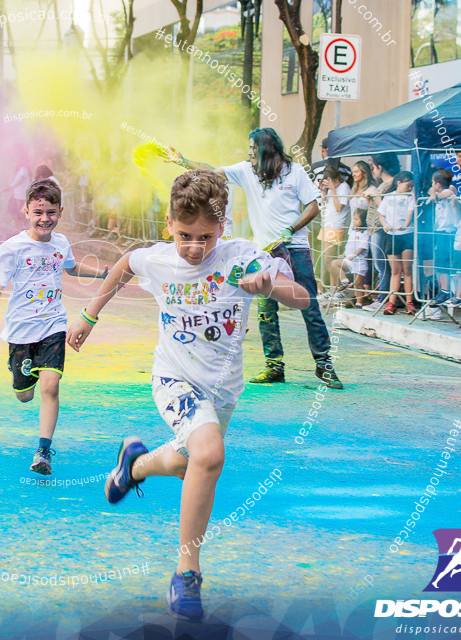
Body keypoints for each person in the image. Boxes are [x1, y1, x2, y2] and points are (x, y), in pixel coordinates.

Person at [65, 169, 308, 622]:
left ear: (224, 226)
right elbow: (123, 266)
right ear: (169, 225)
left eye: (206, 237)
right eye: (185, 236)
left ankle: (133, 464)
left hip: (222, 389)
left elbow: (303, 298)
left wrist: (269, 286)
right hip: (174, 378)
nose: (195, 247)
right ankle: (186, 573)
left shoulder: (245, 258)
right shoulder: (158, 260)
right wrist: (88, 316)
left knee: (187, 462)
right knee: (210, 454)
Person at [168, 128, 343, 390]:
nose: (250, 153)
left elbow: (313, 205)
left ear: (266, 150)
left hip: (295, 247)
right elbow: (213, 170)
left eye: (253, 148)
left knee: (309, 306)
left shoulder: (294, 172)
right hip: (265, 251)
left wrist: (291, 230)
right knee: (265, 311)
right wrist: (183, 161)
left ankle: (324, 365)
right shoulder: (248, 171)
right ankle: (274, 366)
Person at [0, 178, 108, 475]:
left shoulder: (61, 243)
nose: (44, 218)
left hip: (53, 323)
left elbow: (70, 266)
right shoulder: (13, 248)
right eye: (38, 212)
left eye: (50, 212)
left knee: (51, 387)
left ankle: (43, 452)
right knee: (24, 395)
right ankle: (22, 373)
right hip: (21, 330)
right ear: (26, 211)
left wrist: (102, 274)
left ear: (60, 212)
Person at [363, 153, 400, 311]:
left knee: (382, 265)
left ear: (379, 167)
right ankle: (382, 297)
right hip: (375, 227)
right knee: (380, 265)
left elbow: (385, 207)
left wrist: (375, 196)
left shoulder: (390, 184)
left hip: (381, 228)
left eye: (373, 166)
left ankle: (383, 298)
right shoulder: (383, 184)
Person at [378, 171, 417, 315]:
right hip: (391, 235)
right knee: (395, 271)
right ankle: (391, 302)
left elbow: (410, 213)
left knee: (407, 270)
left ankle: (410, 302)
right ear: (399, 183)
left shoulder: (410, 196)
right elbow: (381, 214)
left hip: (406, 235)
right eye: (407, 185)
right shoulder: (389, 197)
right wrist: (385, 225)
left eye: (411, 186)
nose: (409, 188)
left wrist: (405, 225)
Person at [426, 169, 459, 312]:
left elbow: (448, 192)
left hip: (449, 231)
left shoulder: (449, 192)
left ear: (437, 183)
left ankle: (448, 290)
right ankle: (444, 289)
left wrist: (436, 195)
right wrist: (433, 194)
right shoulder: (437, 193)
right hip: (440, 230)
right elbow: (430, 192)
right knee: (440, 261)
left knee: (447, 261)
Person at [318, 164, 351, 297]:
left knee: (329, 260)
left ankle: (337, 287)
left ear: (335, 179)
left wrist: (333, 190)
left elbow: (339, 208)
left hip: (336, 227)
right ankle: (333, 289)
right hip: (327, 225)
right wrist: (325, 191)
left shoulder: (343, 187)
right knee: (327, 260)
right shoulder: (333, 189)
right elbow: (325, 206)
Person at [328, 208, 369, 307]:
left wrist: (355, 254)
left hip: (359, 261)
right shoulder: (352, 232)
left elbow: (363, 246)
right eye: (353, 219)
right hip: (349, 260)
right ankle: (344, 281)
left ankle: (359, 302)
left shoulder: (365, 233)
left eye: (356, 219)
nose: (354, 222)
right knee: (335, 263)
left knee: (358, 283)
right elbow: (349, 245)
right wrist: (344, 254)